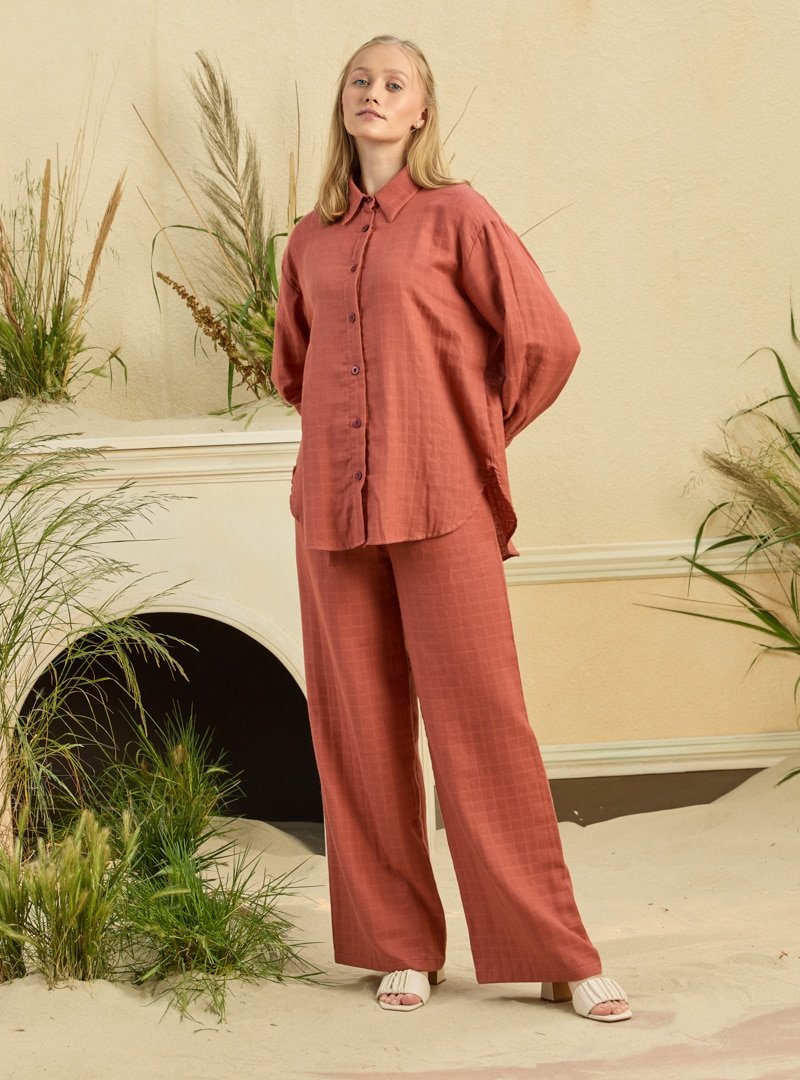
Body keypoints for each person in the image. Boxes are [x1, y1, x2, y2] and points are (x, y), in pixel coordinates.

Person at [271, 33, 631, 1022]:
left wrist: (469, 432)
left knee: (483, 722)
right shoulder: (307, 239)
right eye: (360, 79)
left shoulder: (458, 215)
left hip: (441, 499)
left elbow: (546, 341)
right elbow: (294, 367)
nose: (373, 93)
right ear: (342, 102)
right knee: (358, 727)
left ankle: (554, 952)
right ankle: (399, 945)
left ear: (420, 111)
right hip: (333, 507)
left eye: (394, 83)